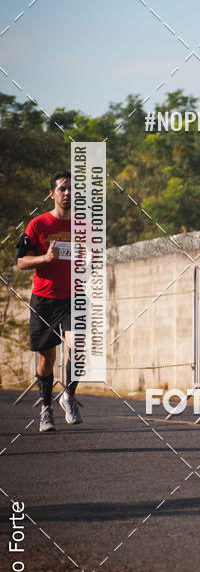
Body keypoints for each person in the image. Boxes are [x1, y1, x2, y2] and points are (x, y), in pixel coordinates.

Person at [16, 171, 82, 432]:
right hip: (44, 299)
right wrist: (44, 259)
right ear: (52, 194)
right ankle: (46, 408)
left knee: (77, 347)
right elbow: (21, 262)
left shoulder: (83, 225)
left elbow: (90, 256)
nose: (67, 193)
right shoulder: (37, 225)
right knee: (46, 360)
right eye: (62, 189)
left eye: (71, 189)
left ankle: (68, 396)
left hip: (73, 297)